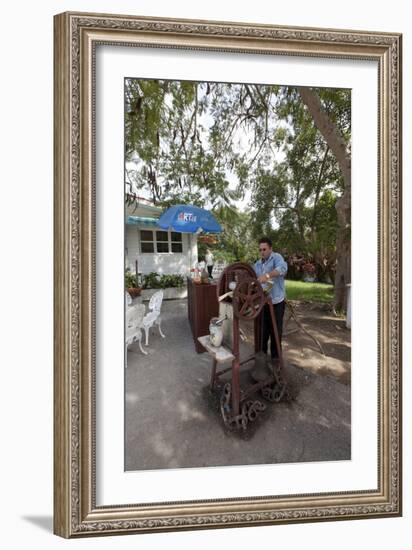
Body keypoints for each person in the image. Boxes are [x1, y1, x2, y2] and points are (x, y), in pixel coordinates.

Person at [253, 237, 288, 360]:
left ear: (270, 249)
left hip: (277, 302)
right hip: (263, 303)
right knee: (263, 332)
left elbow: (283, 269)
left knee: (276, 332)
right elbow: (252, 279)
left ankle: (276, 361)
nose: (262, 252)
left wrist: (267, 275)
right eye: (260, 250)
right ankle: (261, 360)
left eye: (264, 249)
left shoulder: (277, 258)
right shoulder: (257, 264)